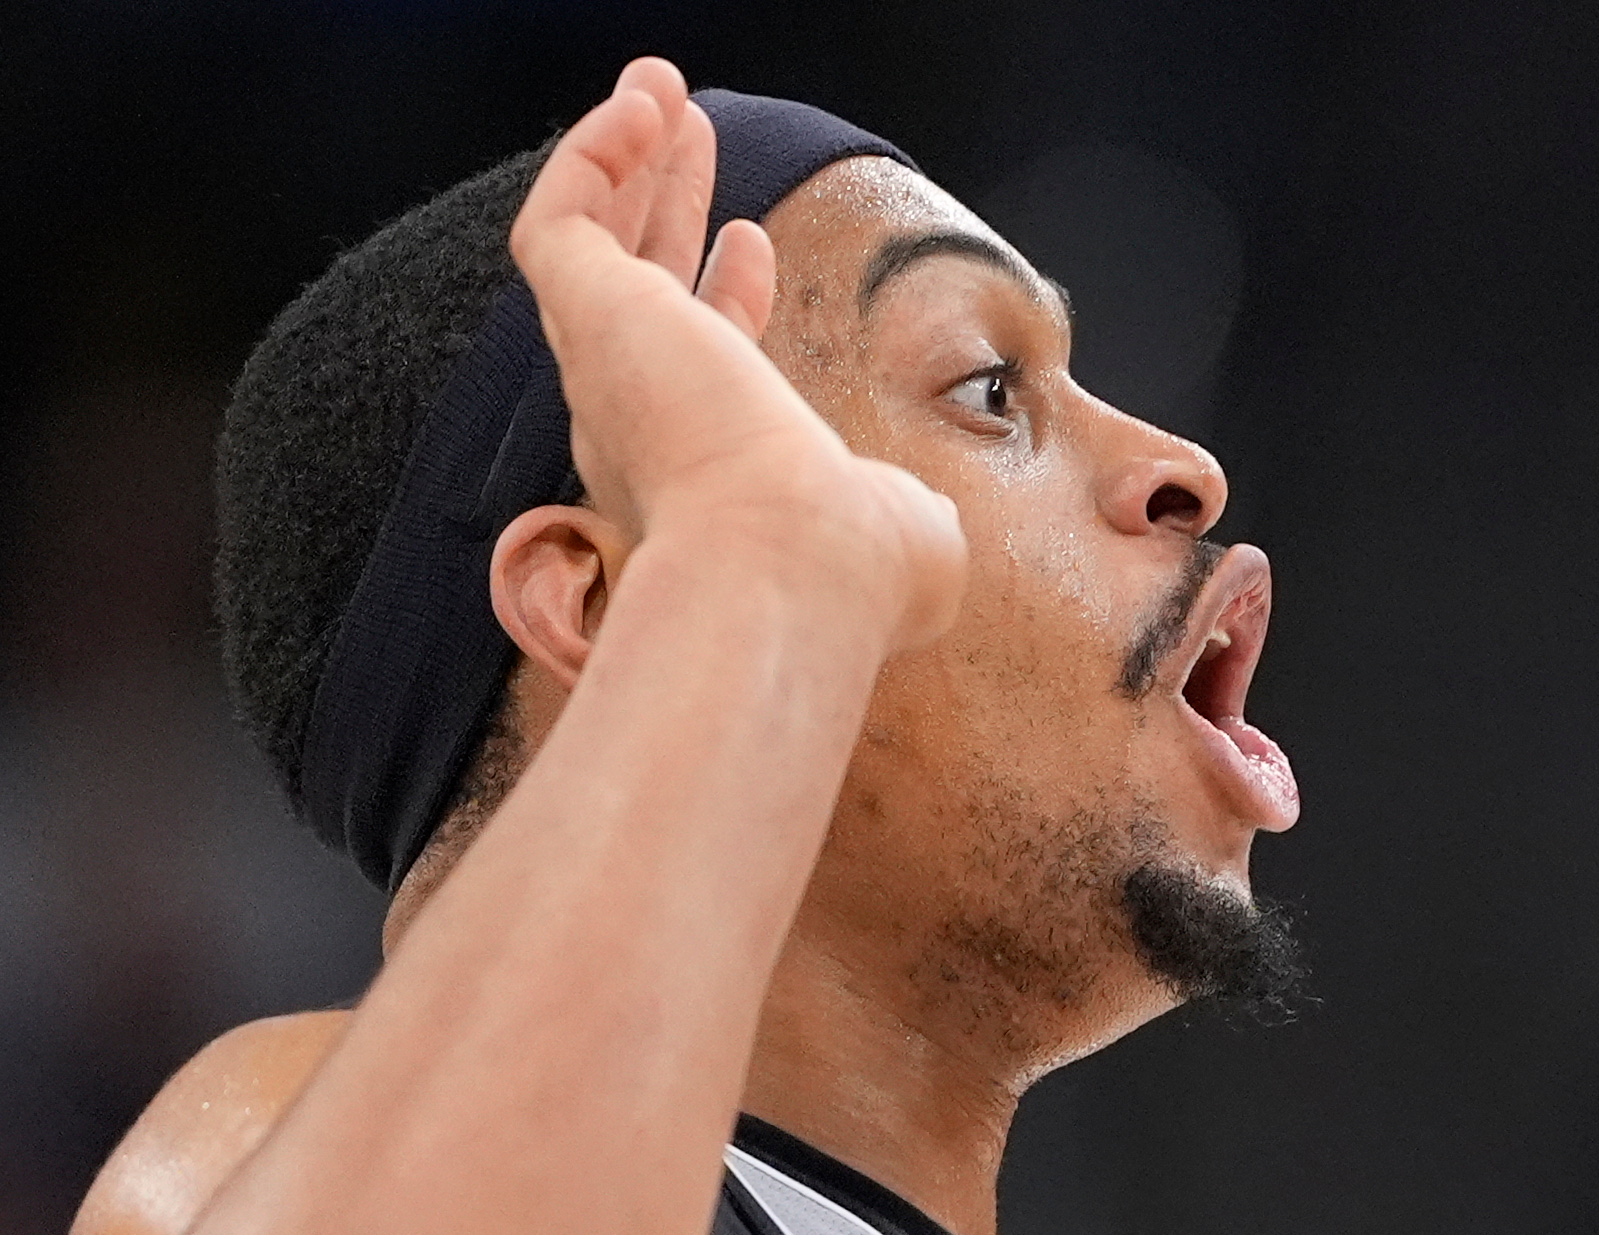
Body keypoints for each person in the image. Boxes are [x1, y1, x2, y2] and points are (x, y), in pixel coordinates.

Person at [72, 57, 1305, 1235]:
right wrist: (750, 562)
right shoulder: (280, 1126)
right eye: (989, 387)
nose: (1182, 469)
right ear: (606, 604)